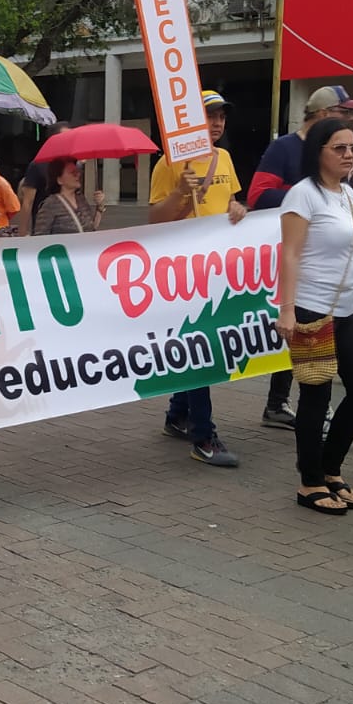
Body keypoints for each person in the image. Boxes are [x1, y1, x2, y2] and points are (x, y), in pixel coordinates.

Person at [275, 118, 353, 516]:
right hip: (310, 309)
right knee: (316, 394)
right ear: (319, 152)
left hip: (345, 309)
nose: (349, 156)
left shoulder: (346, 194)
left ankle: (331, 467)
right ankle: (310, 481)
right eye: (339, 148)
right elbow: (288, 253)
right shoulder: (302, 196)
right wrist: (286, 310)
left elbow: (352, 252)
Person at [248, 84, 353, 431]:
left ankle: (282, 405)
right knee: (300, 333)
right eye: (343, 112)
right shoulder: (285, 148)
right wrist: (310, 195)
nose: (348, 119)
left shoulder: (342, 177)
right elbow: (258, 194)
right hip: (293, 252)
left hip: (331, 268)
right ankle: (286, 410)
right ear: (322, 115)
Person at [149, 90, 248, 467]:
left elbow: (232, 203)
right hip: (183, 270)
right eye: (210, 116)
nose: (218, 123)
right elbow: (155, 220)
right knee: (202, 347)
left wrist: (238, 208)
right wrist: (178, 193)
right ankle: (204, 436)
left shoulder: (224, 157)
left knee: (200, 344)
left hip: (217, 268)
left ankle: (177, 415)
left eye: (222, 116)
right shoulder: (168, 163)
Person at [18, 122, 72, 236]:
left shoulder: (72, 165)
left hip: (69, 227)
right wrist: (22, 233)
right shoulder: (37, 165)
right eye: (65, 137)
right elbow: (28, 202)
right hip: (44, 229)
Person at [34, 158, 104, 234]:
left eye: (77, 172)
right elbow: (40, 236)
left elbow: (91, 228)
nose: (78, 175)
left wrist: (99, 206)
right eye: (73, 173)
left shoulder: (81, 199)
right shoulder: (50, 204)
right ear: (59, 180)